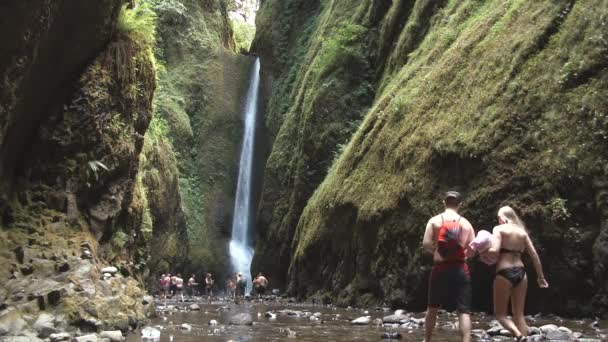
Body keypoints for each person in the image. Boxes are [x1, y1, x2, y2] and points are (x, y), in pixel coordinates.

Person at [487, 206, 549, 341]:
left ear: (503, 217)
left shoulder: (499, 229)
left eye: (498, 218)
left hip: (504, 272)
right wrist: (541, 277)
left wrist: (483, 248)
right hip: (521, 273)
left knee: (501, 315)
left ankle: (519, 335)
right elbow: (534, 255)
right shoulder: (522, 233)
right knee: (519, 315)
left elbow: (494, 250)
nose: (498, 221)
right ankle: (522, 337)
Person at [422, 191, 475, 342]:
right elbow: (472, 250)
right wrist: (462, 253)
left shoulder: (434, 220)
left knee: (432, 308)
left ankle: (428, 340)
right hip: (460, 269)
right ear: (460, 204)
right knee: (463, 311)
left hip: (440, 268)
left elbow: (426, 244)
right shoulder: (466, 223)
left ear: (444, 203)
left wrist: (438, 251)